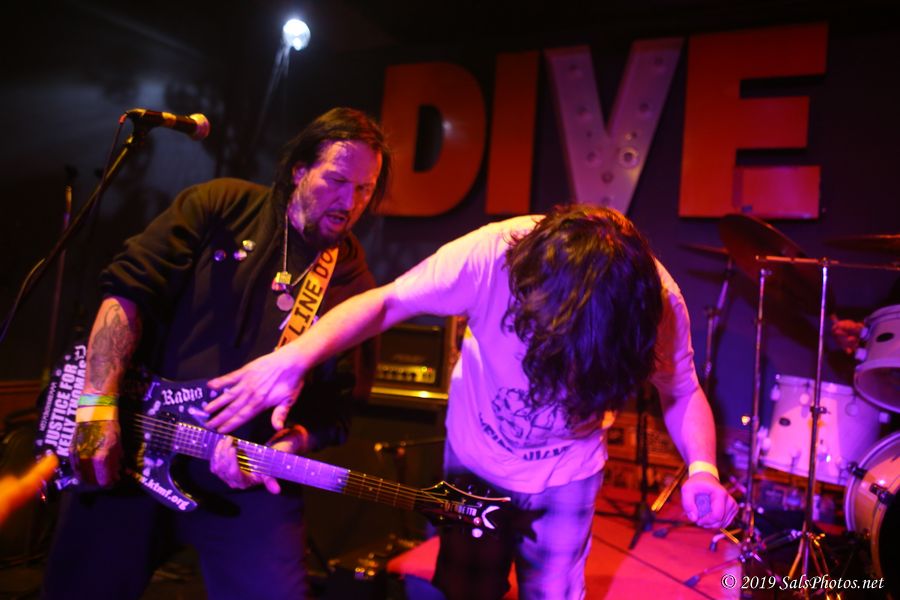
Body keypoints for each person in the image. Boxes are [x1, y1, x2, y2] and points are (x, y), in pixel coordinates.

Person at [204, 204, 739, 599]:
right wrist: (293, 359)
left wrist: (702, 469)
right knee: (463, 590)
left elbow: (681, 390)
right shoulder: (489, 256)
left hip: (569, 471)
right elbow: (387, 302)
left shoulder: (655, 304)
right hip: (474, 457)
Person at [42, 107, 391, 599]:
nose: (349, 201)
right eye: (336, 180)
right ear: (299, 170)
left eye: (364, 189)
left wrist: (287, 449)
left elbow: (338, 408)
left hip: (240, 475)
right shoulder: (222, 205)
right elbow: (127, 292)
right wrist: (97, 404)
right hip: (134, 436)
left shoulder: (353, 283)